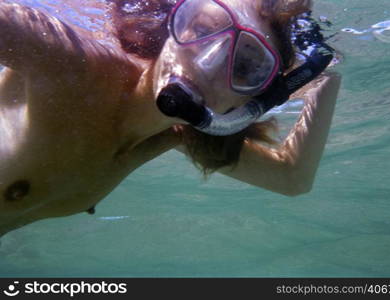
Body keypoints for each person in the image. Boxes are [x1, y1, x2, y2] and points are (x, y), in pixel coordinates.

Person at [0, 0, 341, 237]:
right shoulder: (74, 66)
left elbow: (291, 178)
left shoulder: (172, 135)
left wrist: (324, 72)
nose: (206, 65)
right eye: (203, 28)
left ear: (251, 102)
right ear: (172, 25)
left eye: (245, 67)